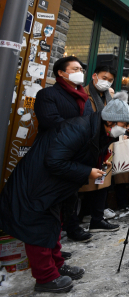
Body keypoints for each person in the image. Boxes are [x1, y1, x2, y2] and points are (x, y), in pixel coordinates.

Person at [0, 91, 129, 293]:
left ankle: (57, 265)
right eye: (124, 126)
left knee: (53, 225)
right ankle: (45, 277)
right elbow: (54, 161)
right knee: (39, 231)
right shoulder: (77, 128)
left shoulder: (97, 129)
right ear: (111, 121)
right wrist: (88, 171)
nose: (125, 130)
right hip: (37, 185)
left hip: (53, 186)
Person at [33, 56, 92, 244]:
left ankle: (72, 227)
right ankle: (51, 242)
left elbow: (90, 123)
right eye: (75, 69)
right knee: (52, 199)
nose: (80, 73)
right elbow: (50, 121)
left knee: (71, 194)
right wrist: (80, 132)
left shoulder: (85, 98)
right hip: (54, 153)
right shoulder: (48, 94)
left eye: (81, 70)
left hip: (76, 153)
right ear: (61, 72)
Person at [79, 65, 119, 234]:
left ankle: (97, 219)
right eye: (104, 78)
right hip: (86, 144)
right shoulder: (82, 94)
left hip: (105, 146)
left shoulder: (109, 96)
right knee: (81, 184)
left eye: (110, 80)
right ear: (94, 76)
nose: (106, 82)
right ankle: (74, 220)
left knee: (101, 182)